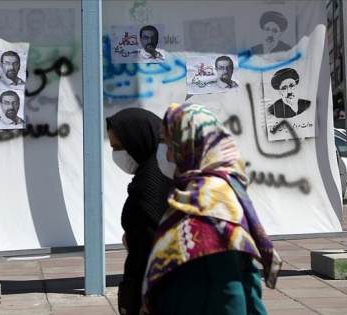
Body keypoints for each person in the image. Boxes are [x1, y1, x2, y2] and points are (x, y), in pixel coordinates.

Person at [142, 103, 281, 315]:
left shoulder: (212, 200)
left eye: (166, 142)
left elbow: (229, 284)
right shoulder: (193, 193)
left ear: (188, 142)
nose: (165, 154)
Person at [106, 108, 173, 315]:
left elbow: (149, 243)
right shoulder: (166, 170)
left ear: (139, 138)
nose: (117, 155)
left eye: (119, 147)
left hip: (152, 289)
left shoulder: (149, 183)